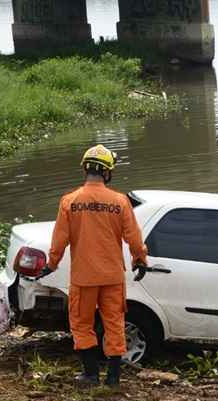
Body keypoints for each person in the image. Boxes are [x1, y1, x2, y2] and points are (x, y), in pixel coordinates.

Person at [41, 145, 148, 387]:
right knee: (114, 324)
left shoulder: (70, 201)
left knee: (81, 324)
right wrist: (139, 259)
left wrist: (51, 264)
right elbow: (134, 237)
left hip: (83, 277)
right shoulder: (120, 202)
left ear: (85, 169)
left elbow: (59, 240)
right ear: (107, 173)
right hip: (112, 276)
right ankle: (113, 378)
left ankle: (90, 375)